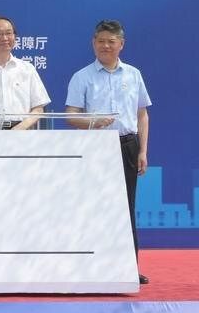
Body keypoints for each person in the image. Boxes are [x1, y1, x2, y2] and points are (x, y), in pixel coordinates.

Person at [65, 19, 152, 285]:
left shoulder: (133, 74)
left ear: (121, 44)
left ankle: (128, 268)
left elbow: (142, 114)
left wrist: (143, 151)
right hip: (96, 147)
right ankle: (94, 267)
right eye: (101, 41)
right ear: (93, 43)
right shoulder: (82, 77)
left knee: (126, 207)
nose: (105, 46)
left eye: (111, 42)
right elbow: (70, 116)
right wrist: (93, 122)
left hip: (127, 144)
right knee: (95, 205)